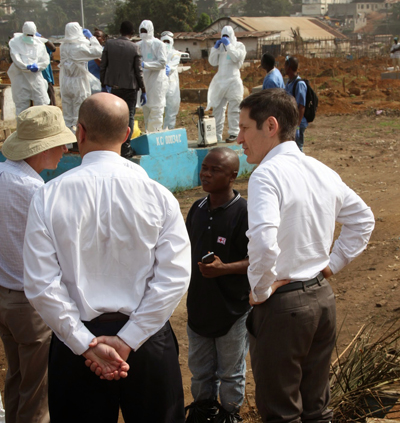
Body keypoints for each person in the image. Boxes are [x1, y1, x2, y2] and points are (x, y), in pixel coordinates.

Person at [23, 93, 191, 423]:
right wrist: (128, 340)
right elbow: (174, 276)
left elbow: (42, 285)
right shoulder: (159, 196)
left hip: (78, 345)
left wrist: (86, 344)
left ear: (79, 132)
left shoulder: (49, 196)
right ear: (128, 134)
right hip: (145, 341)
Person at [237, 89, 375, 423]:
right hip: (321, 301)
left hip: (283, 308)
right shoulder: (320, 170)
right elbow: (363, 220)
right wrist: (331, 265)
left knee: (281, 412)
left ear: (270, 126)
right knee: (316, 407)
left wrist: (260, 290)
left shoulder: (266, 176)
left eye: (244, 128)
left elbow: (264, 243)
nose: (239, 138)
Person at [0, 105, 76, 423]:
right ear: (42, 148)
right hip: (30, 301)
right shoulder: (36, 191)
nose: (65, 150)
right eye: (60, 144)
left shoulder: (5, 176)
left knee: (18, 376)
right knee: (37, 391)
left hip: (5, 292)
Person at [185, 148, 250, 423]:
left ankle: (229, 415)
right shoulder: (197, 209)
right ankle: (204, 413)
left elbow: (258, 259)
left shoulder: (244, 212)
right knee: (199, 370)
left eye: (215, 170)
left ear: (233, 176)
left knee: (230, 372)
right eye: (204, 167)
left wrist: (224, 269)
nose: (206, 174)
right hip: (199, 306)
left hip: (232, 309)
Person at [100, 21, 147, 158]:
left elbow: (103, 66)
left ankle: (115, 145)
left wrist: (103, 84)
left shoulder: (109, 45)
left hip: (114, 87)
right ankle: (126, 147)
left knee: (115, 115)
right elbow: (138, 71)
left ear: (120, 30)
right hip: (130, 88)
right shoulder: (134, 47)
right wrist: (143, 90)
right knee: (129, 115)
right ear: (132, 33)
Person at [59, 22, 103, 133]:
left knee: (68, 113)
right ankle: (78, 139)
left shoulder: (63, 46)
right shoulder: (79, 47)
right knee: (80, 111)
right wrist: (91, 38)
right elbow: (98, 51)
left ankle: (68, 140)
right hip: (78, 82)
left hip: (65, 81)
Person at [206, 26, 246, 143]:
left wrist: (229, 45)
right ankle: (216, 135)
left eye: (227, 36)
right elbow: (212, 62)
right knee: (217, 109)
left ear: (232, 35)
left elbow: (237, 57)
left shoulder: (239, 46)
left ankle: (234, 133)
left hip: (233, 81)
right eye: (223, 36)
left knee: (234, 109)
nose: (225, 38)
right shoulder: (220, 48)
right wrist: (215, 49)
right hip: (220, 81)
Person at [7, 21, 50, 115]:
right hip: (21, 78)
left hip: (35, 78)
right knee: (21, 106)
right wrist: (25, 66)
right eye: (28, 35)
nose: (30, 37)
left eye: (31, 35)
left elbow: (45, 60)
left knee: (42, 102)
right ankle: (22, 129)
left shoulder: (39, 44)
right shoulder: (15, 42)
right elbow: (15, 58)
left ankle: (41, 128)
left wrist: (38, 67)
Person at [138, 20, 168, 132]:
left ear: (150, 30)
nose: (143, 33)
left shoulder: (159, 45)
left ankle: (155, 137)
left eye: (145, 31)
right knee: (146, 111)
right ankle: (148, 136)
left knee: (156, 111)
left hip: (156, 84)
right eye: (141, 31)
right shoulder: (138, 45)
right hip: (145, 84)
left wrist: (144, 64)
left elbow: (162, 63)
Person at [284, 56, 308, 152]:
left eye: (285, 66)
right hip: (291, 123)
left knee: (298, 148)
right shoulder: (289, 83)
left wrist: (297, 125)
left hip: (298, 123)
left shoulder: (299, 84)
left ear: (289, 68)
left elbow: (301, 106)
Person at [161, 31, 181, 130]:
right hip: (160, 85)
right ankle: (157, 132)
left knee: (171, 111)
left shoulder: (175, 53)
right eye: (163, 41)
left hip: (172, 86)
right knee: (158, 111)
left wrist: (166, 69)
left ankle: (169, 131)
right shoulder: (158, 53)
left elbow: (172, 66)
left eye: (167, 41)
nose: (165, 44)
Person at [37, 33, 57, 106]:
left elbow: (53, 48)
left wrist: (43, 39)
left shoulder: (42, 44)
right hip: (33, 79)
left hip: (46, 77)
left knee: (50, 99)